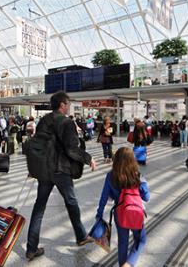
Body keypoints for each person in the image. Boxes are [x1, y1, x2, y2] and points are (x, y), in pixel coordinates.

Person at [26, 91, 97, 261]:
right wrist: (89, 158)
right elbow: (71, 149)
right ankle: (81, 236)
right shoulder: (66, 122)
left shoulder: (44, 120)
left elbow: (37, 145)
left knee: (39, 208)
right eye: (68, 104)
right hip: (60, 170)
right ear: (63, 105)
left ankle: (31, 248)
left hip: (44, 170)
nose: (69, 106)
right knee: (71, 202)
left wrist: (34, 167)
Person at [95, 147, 150, 267]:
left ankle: (122, 265)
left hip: (119, 213)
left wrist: (99, 214)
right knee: (141, 239)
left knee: (123, 242)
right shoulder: (137, 175)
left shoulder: (110, 176)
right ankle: (129, 263)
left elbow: (104, 197)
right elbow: (147, 197)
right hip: (135, 212)